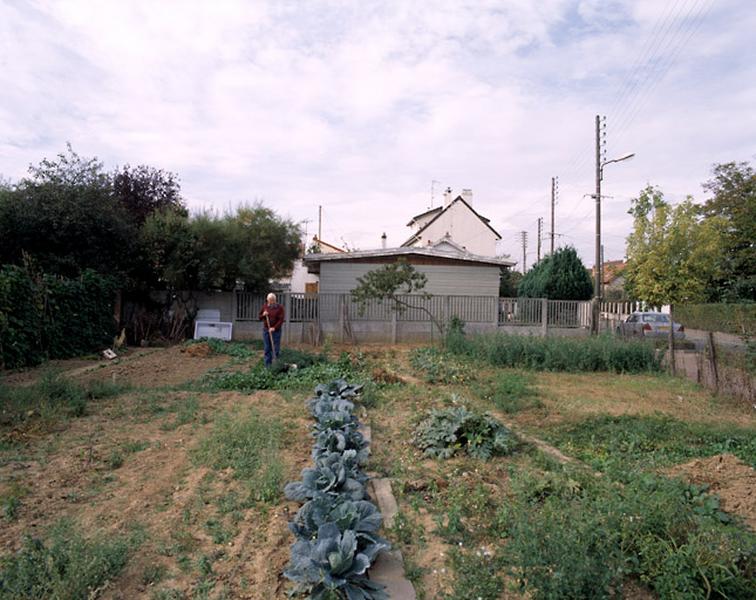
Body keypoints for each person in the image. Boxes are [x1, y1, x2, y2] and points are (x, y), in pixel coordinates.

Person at [259, 293, 284, 366]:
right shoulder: (265, 306)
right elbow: (259, 317)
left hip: (276, 331)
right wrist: (263, 314)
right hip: (266, 330)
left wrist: (274, 328)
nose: (269, 302)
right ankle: (268, 365)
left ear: (275, 300)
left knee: (276, 348)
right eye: (268, 301)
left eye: (271, 301)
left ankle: (276, 365)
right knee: (267, 348)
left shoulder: (279, 308)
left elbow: (281, 320)